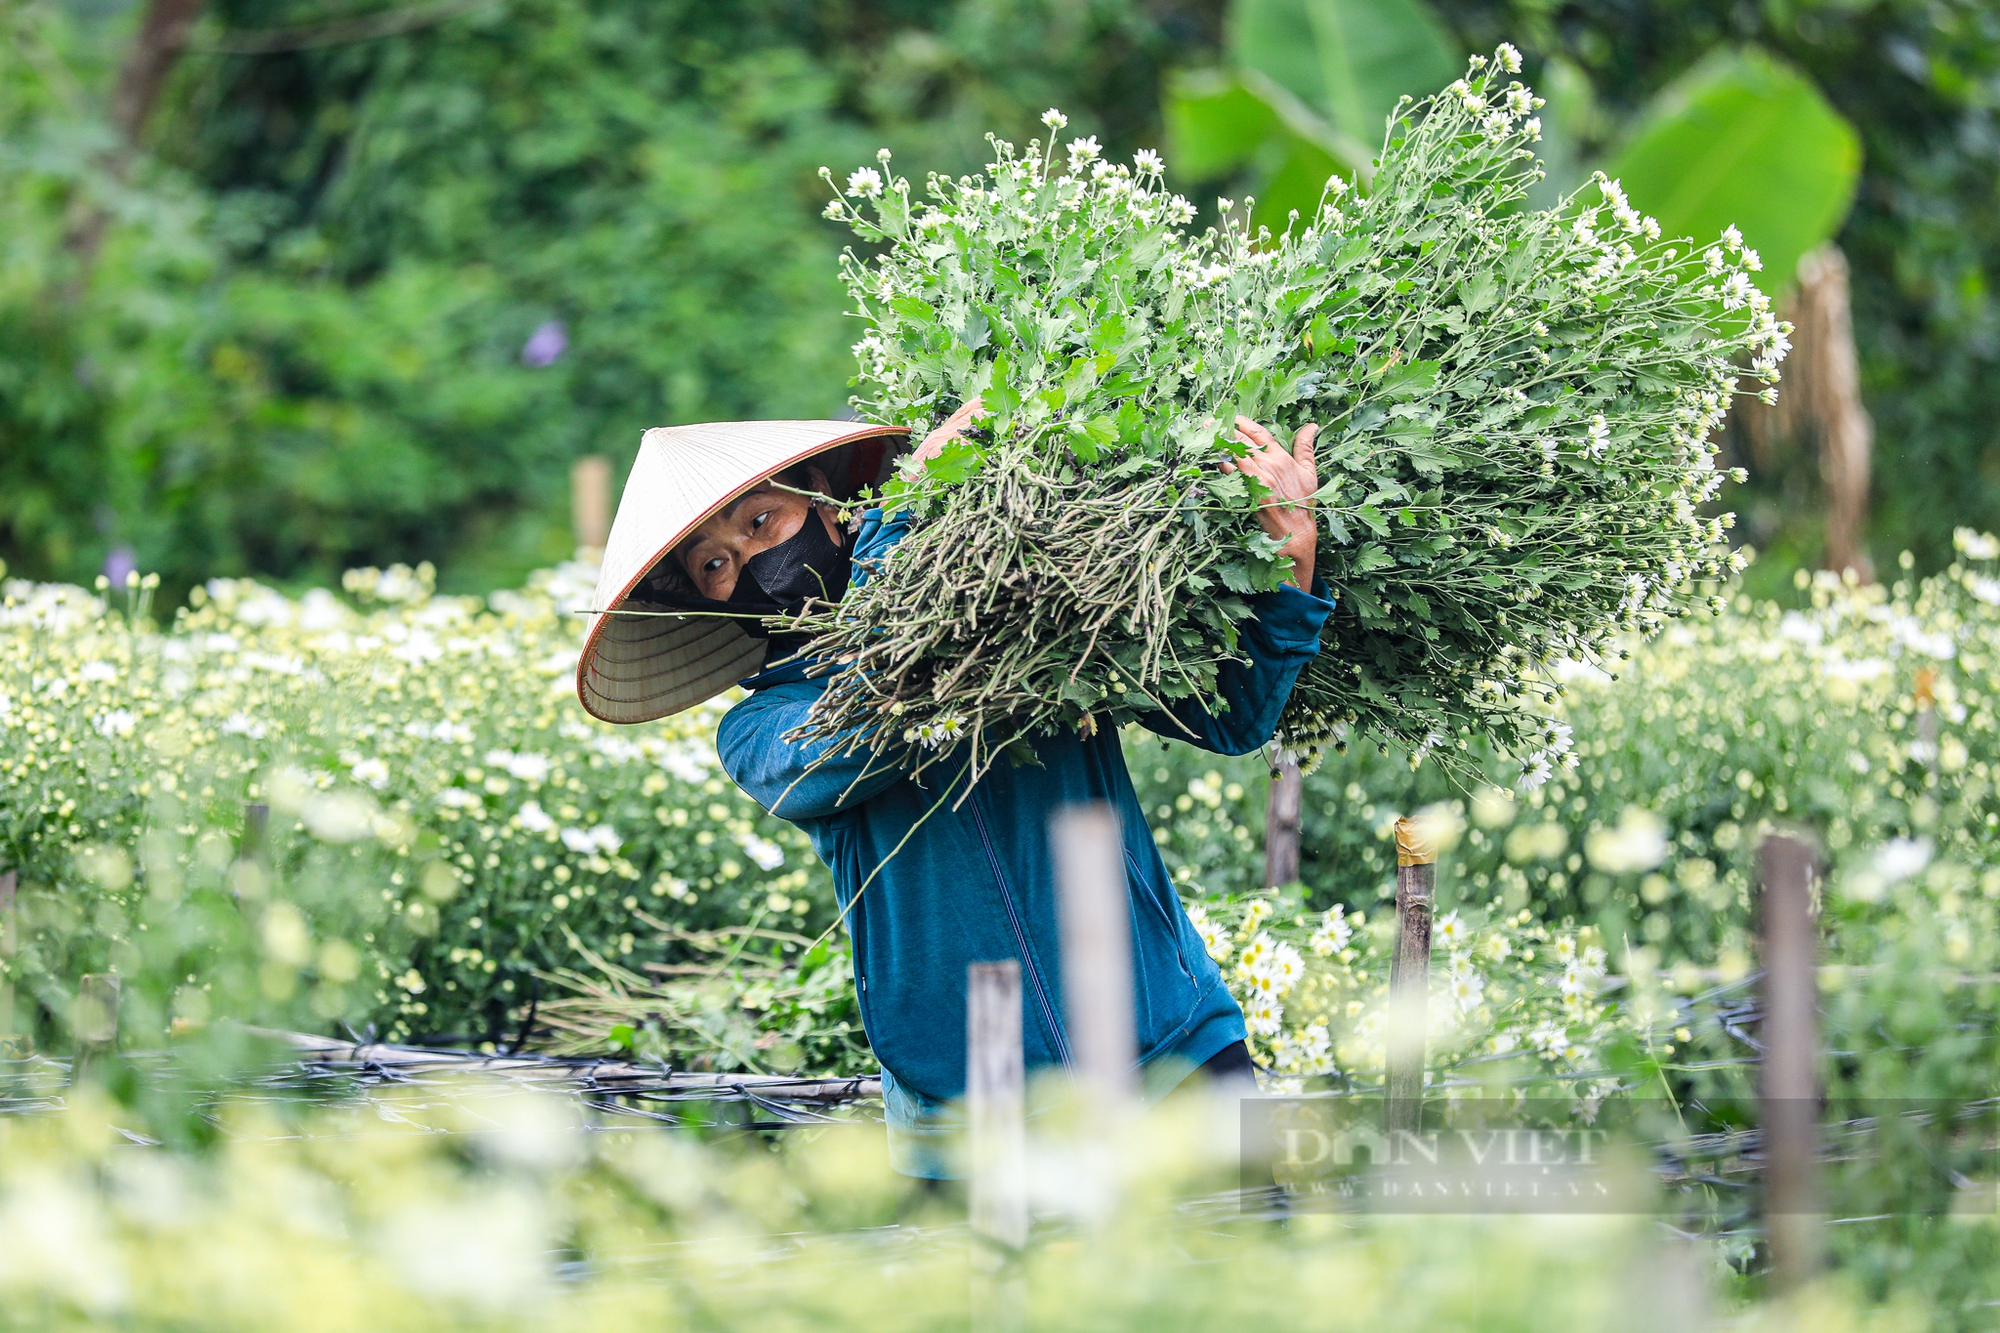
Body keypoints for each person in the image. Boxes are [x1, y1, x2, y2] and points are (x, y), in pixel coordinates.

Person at [575, 408, 1331, 1176]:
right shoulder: (761, 729)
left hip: (1171, 1054)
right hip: (972, 1123)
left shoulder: (1017, 603)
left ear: (830, 503)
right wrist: (903, 534)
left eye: (763, 520)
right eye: (716, 567)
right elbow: (878, 712)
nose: (753, 564)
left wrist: (1291, 564)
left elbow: (1228, 715)